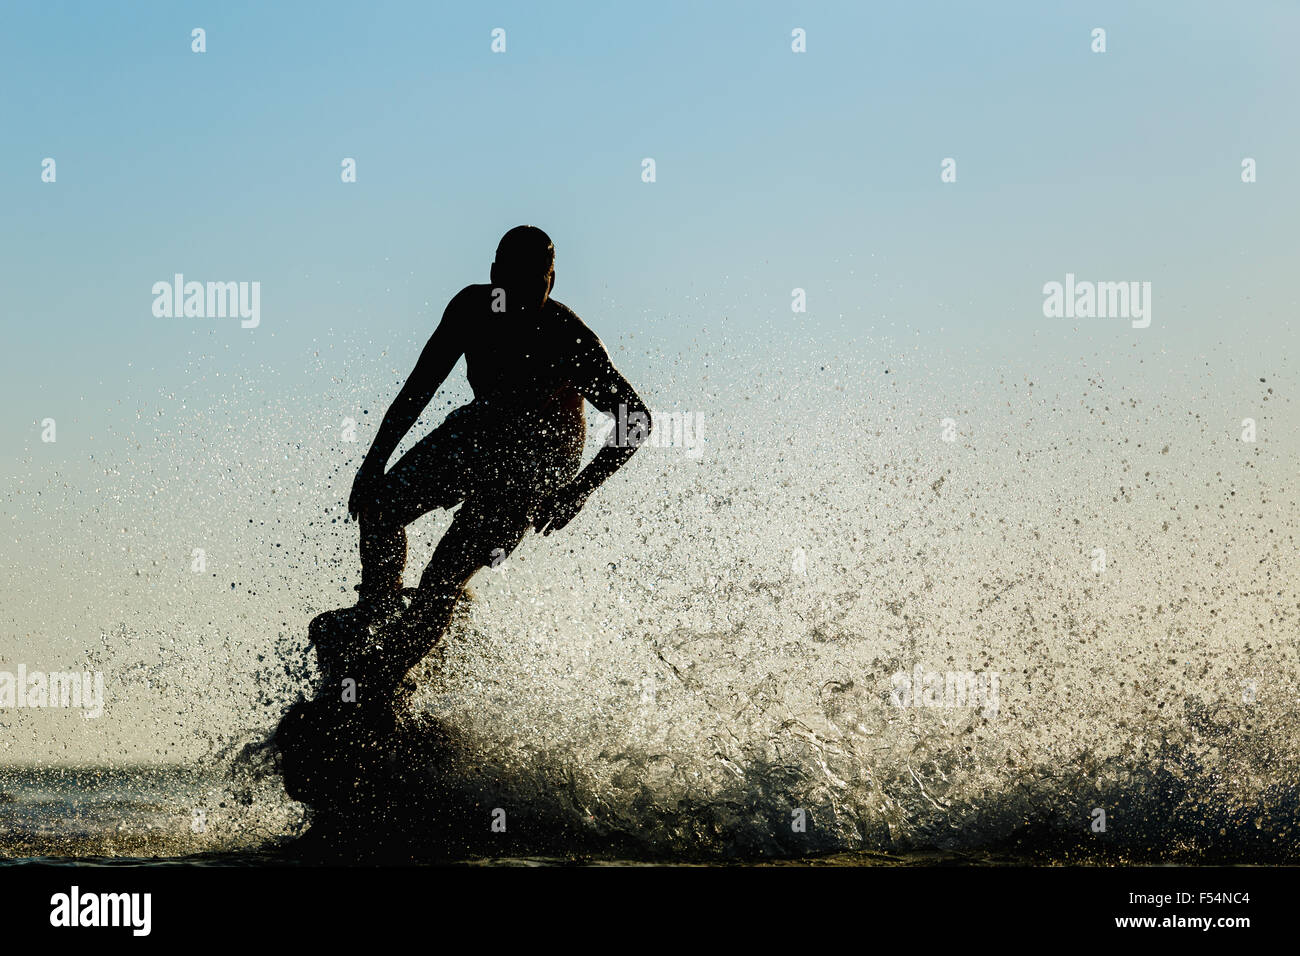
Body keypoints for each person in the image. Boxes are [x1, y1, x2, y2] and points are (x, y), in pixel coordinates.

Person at [328, 225, 652, 701]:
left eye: (535, 286)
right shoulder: (471, 310)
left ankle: (383, 678)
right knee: (379, 506)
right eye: (512, 284)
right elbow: (419, 388)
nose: (522, 299)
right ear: (494, 275)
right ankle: (377, 607)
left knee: (441, 577)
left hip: (538, 466)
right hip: (480, 432)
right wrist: (372, 464)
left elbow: (637, 420)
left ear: (553, 282)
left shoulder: (568, 339)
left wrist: (577, 491)